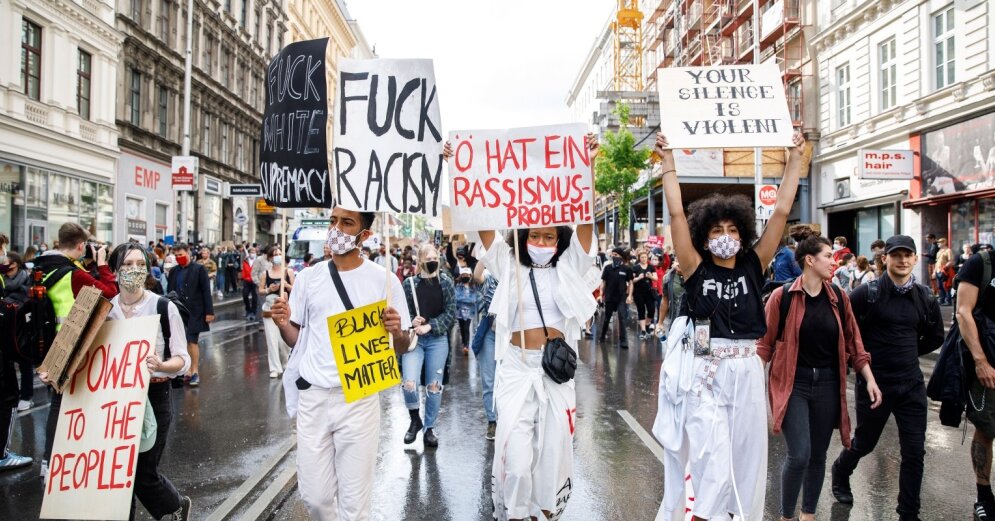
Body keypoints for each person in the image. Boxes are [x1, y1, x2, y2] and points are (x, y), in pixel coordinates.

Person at [654, 129, 806, 521]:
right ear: (705, 237)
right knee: (715, 466)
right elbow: (675, 214)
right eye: (717, 230)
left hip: (747, 370)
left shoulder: (754, 265)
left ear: (743, 234)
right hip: (705, 370)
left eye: (733, 229)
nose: (726, 236)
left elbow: (783, 211)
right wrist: (668, 164)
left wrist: (794, 158)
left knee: (746, 464)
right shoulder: (694, 267)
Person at [445, 134, 598, 520]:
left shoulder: (570, 267)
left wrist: (587, 168)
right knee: (515, 458)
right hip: (515, 368)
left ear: (557, 240)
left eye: (549, 235)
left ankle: (541, 514)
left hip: (555, 374)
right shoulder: (508, 266)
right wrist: (459, 168)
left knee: (550, 456)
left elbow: (585, 224)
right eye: (535, 235)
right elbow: (482, 224)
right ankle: (515, 514)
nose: (541, 241)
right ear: (523, 238)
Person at [270, 206, 411, 521]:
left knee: (354, 503)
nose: (336, 228)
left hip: (358, 401)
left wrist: (396, 331)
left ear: (365, 235)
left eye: (347, 223)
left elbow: (401, 347)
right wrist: (282, 324)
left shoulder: (385, 282)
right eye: (333, 221)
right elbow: (295, 339)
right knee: (316, 498)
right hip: (313, 398)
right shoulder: (309, 278)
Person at [758, 230, 882, 521]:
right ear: (810, 260)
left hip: (828, 384)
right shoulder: (782, 297)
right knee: (799, 454)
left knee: (818, 456)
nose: (833, 261)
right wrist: (749, 382)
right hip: (793, 384)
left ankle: (808, 515)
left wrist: (870, 378)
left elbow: (855, 343)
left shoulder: (839, 297)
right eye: (828, 256)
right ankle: (787, 516)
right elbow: (763, 345)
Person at [829, 235, 943, 521]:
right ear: (885, 259)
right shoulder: (867, 294)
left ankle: (908, 513)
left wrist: (905, 352)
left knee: (915, 452)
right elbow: (845, 332)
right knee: (864, 443)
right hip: (874, 384)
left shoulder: (925, 297)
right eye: (897, 255)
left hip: (911, 386)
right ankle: (841, 470)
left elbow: (935, 337)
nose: (903, 260)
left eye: (908, 255)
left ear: (916, 259)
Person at [103, 243, 193, 521]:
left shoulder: (163, 307)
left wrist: (162, 365)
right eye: (128, 265)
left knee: (143, 472)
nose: (134, 270)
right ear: (115, 271)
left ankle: (174, 508)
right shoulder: (105, 311)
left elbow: (183, 359)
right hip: (115, 399)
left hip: (153, 396)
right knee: (118, 474)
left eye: (140, 265)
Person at [34, 223, 118, 477]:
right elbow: (109, 293)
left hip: (47, 343)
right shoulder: (72, 274)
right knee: (64, 403)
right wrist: (102, 264)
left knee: (59, 401)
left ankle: (55, 458)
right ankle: (52, 461)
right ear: (81, 246)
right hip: (71, 345)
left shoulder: (40, 266)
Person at [951, 246, 995, 521]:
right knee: (987, 428)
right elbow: (963, 313)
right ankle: (984, 496)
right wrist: (980, 361)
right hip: (989, 364)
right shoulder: (981, 263)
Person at [400, 244, 456, 447]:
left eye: (436, 257)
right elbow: (402, 312)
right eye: (429, 258)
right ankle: (415, 419)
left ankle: (429, 428)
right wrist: (411, 322)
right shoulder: (409, 284)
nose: (433, 261)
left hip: (437, 340)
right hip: (414, 340)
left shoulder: (446, 283)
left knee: (434, 387)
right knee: (409, 383)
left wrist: (431, 326)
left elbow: (451, 313)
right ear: (420, 261)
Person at [166, 243, 214, 387]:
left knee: (192, 341)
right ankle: (185, 371)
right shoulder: (174, 271)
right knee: (179, 342)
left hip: (195, 311)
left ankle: (194, 372)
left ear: (188, 253)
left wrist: (209, 312)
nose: (179, 257)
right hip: (178, 312)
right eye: (176, 255)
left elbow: (206, 291)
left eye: (181, 254)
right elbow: (169, 292)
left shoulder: (199, 269)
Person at [1, 253, 35, 411]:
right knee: (7, 363)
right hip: (6, 328)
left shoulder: (27, 279)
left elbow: (29, 299)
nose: (7, 269)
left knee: (25, 362)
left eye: (10, 265)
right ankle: (13, 394)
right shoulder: (2, 281)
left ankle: (26, 396)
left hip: (23, 327)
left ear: (17, 264)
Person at [471, 259, 500, 440]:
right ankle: (492, 421)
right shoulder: (490, 278)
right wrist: (486, 254)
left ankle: (509, 420)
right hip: (490, 332)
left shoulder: (517, 276)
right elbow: (477, 275)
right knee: (489, 379)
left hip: (512, 335)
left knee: (509, 380)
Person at [259, 245, 294, 378]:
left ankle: (287, 363)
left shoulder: (288, 272)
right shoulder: (265, 273)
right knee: (271, 339)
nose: (277, 256)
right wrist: (269, 289)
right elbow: (261, 290)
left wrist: (286, 286)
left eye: (280, 253)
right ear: (269, 257)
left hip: (285, 309)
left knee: (283, 340)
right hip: (269, 309)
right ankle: (274, 368)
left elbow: (296, 289)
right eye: (274, 254)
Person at [598, 247, 634, 349]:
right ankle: (602, 336)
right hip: (609, 297)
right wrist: (601, 294)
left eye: (616, 255)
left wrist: (630, 295)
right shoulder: (608, 268)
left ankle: (623, 341)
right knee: (607, 318)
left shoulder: (627, 269)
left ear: (621, 257)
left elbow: (631, 283)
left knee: (622, 318)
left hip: (622, 297)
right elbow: (603, 283)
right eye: (612, 255)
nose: (613, 256)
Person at [655, 260, 686, 337]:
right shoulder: (668, 277)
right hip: (675, 321)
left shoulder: (698, 274)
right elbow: (665, 299)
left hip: (694, 323)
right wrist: (660, 323)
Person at [632, 251, 658, 339]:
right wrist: (638, 278)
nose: (644, 259)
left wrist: (650, 276)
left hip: (649, 292)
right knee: (641, 311)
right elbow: (631, 280)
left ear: (647, 258)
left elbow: (656, 278)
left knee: (652, 310)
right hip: (638, 292)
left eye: (645, 257)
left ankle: (647, 324)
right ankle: (643, 331)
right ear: (639, 258)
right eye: (642, 257)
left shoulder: (651, 267)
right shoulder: (635, 267)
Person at [454, 266, 479, 355]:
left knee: (466, 327)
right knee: (462, 328)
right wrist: (468, 300)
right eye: (463, 274)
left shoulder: (473, 286)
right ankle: (464, 343)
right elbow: (456, 298)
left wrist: (465, 299)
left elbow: (475, 299)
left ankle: (466, 346)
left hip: (469, 311)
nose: (465, 276)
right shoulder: (458, 285)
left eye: (466, 274)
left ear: (470, 275)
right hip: (459, 311)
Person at [241, 247, 259, 321]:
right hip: (247, 281)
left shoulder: (257, 261)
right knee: (245, 295)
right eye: (251, 251)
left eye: (254, 251)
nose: (252, 253)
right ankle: (248, 309)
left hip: (255, 281)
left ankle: (253, 311)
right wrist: (244, 277)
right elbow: (243, 270)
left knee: (255, 297)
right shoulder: (245, 260)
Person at [935, 238, 953, 305]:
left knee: (946, 286)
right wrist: (934, 272)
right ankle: (941, 300)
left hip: (944, 271)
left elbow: (951, 261)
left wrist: (945, 268)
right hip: (938, 270)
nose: (938, 244)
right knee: (939, 286)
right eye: (938, 242)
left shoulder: (948, 250)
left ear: (944, 242)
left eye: (940, 242)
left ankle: (948, 301)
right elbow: (937, 262)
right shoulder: (939, 251)